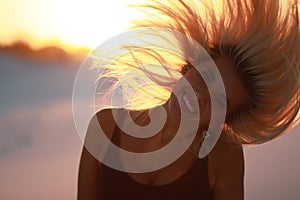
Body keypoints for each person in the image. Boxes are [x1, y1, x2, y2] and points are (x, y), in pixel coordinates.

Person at [77, 0, 299, 199]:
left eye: (221, 101)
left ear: (224, 118)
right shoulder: (105, 126)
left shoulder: (221, 156)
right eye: (206, 76)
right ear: (189, 67)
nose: (202, 96)